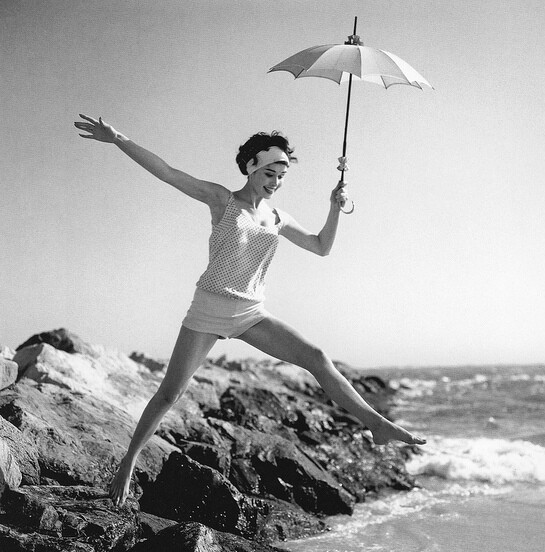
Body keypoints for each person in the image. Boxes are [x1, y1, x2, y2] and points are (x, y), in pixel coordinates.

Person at [74, 114, 427, 507]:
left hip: (251, 313)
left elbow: (321, 246)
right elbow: (168, 173)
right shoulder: (223, 200)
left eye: (282, 176)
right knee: (169, 395)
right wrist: (117, 137)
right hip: (208, 310)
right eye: (270, 172)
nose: (276, 182)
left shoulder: (277, 217)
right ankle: (128, 461)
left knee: (316, 357)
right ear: (252, 166)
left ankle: (376, 425)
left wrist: (334, 207)